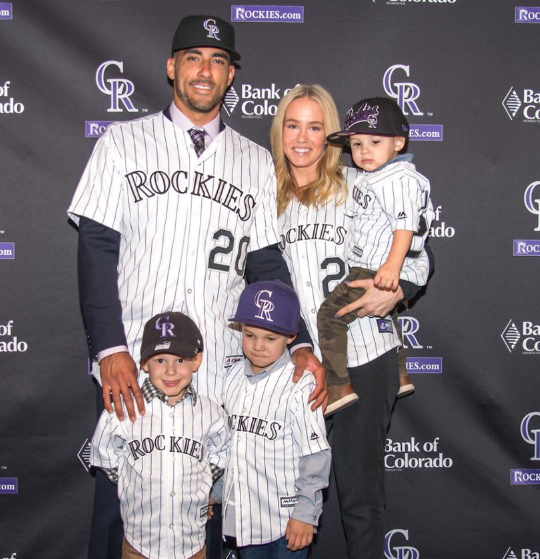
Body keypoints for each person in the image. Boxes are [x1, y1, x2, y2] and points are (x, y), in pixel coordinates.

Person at [68, 15, 324, 559]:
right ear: (171, 67)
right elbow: (95, 252)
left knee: (206, 503)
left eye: (218, 61)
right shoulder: (122, 143)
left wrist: (299, 342)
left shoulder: (256, 161)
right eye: (193, 58)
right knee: (121, 505)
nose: (205, 71)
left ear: (231, 75)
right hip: (136, 360)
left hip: (219, 365)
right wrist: (110, 347)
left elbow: (269, 269)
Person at [270, 85, 433, 559]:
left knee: (358, 498)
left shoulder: (359, 183)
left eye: (315, 127)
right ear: (280, 132)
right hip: (294, 365)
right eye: (293, 125)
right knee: (289, 497)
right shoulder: (264, 194)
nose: (303, 138)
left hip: (366, 353)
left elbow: (419, 257)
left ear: (332, 137)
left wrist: (397, 289)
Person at [318, 97, 434, 414]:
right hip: (377, 266)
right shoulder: (381, 176)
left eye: (374, 141)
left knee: (331, 316)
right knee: (389, 315)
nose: (364, 151)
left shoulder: (397, 178)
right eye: (356, 143)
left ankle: (338, 386)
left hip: (374, 268)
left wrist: (393, 268)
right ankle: (401, 373)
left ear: (398, 142)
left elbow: (406, 225)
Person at [90, 311, 230, 559]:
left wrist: (201, 483)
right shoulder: (125, 409)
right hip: (139, 544)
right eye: (160, 360)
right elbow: (105, 453)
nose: (171, 371)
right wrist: (133, 482)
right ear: (144, 363)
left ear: (196, 362)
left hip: (191, 545)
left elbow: (222, 452)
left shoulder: (211, 413)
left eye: (180, 360)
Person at [221, 280, 331, 558]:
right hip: (245, 517)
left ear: (291, 336)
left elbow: (315, 455)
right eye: (250, 335)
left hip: (286, 521)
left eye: (270, 338)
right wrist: (216, 491)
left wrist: (306, 513)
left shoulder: (301, 383)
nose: (258, 346)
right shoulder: (231, 377)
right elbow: (231, 449)